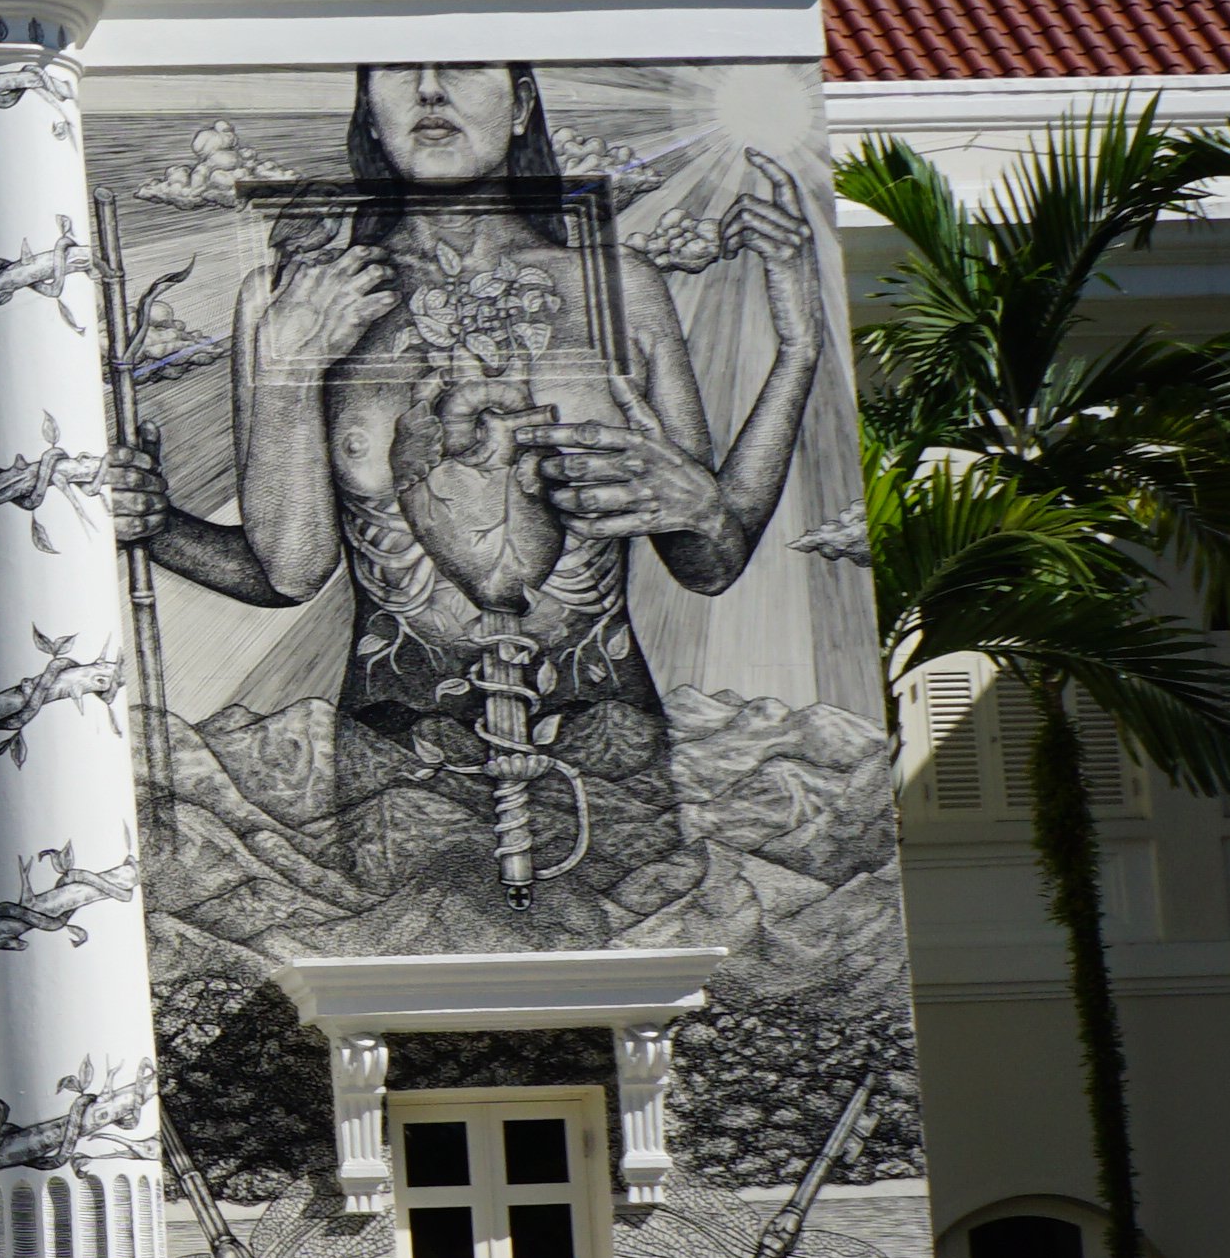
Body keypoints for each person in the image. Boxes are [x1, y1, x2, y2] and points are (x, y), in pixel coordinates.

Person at [187, 65, 821, 925]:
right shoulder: (293, 301)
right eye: (399, 71)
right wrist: (288, 368)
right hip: (396, 764)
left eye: (465, 65)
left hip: (609, 750)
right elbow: (292, 567)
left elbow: (709, 564)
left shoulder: (620, 287)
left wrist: (796, 354)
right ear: (367, 109)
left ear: (522, 101)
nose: (432, 90)